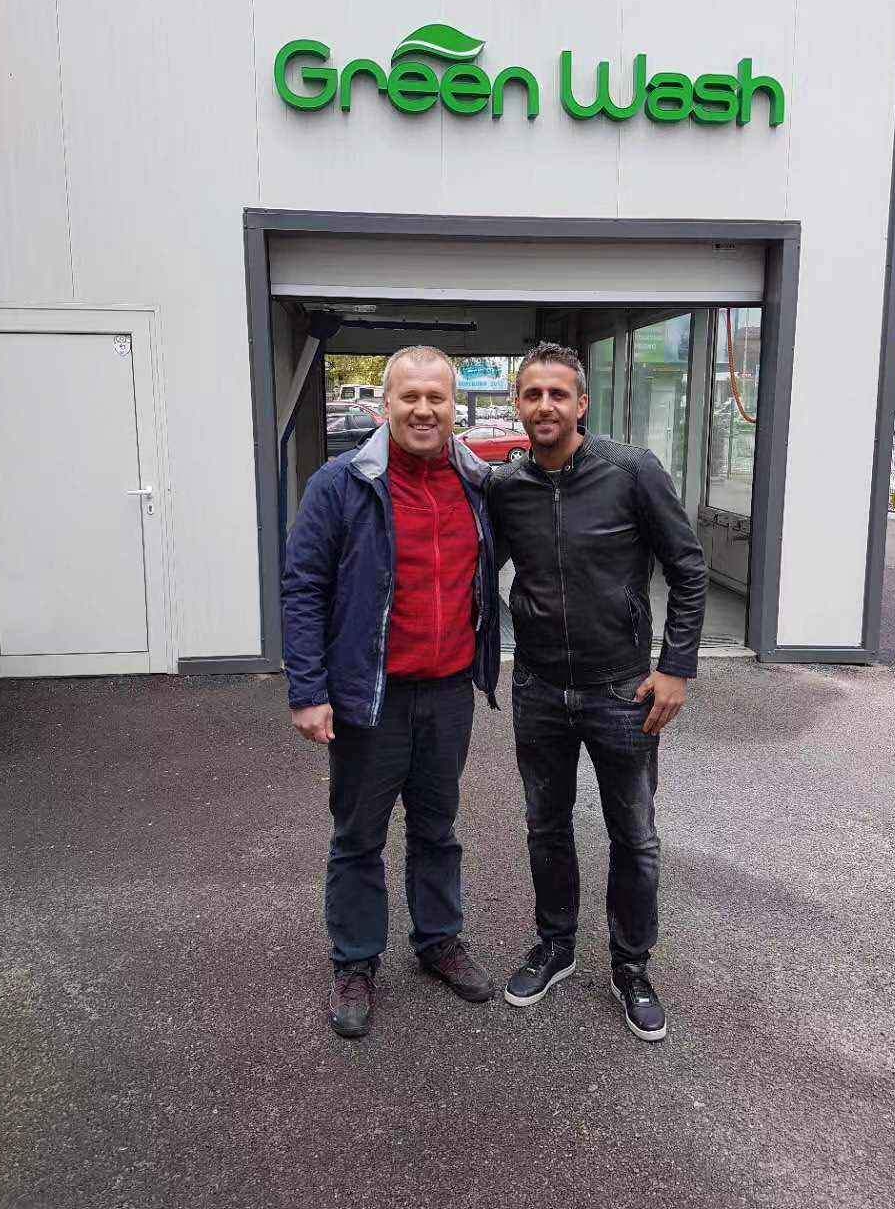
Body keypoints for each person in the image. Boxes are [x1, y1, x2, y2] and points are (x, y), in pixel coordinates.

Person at [488, 342, 707, 1041]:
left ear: (581, 403)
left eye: (558, 393)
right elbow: (472, 566)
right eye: (532, 394)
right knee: (545, 826)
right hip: (539, 688)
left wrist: (675, 668)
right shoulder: (507, 487)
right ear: (518, 405)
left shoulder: (632, 471)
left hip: (623, 690)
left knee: (634, 836)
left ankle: (631, 966)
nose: (545, 405)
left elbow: (688, 568)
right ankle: (555, 947)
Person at [282, 346, 500, 1039]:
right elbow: (303, 589)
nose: (424, 410)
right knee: (358, 836)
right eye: (410, 397)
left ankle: (438, 939)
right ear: (386, 405)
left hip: (449, 691)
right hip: (368, 696)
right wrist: (307, 690)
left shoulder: (477, 482)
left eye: (437, 397)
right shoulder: (341, 484)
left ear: (454, 407)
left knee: (438, 828)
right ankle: (355, 960)